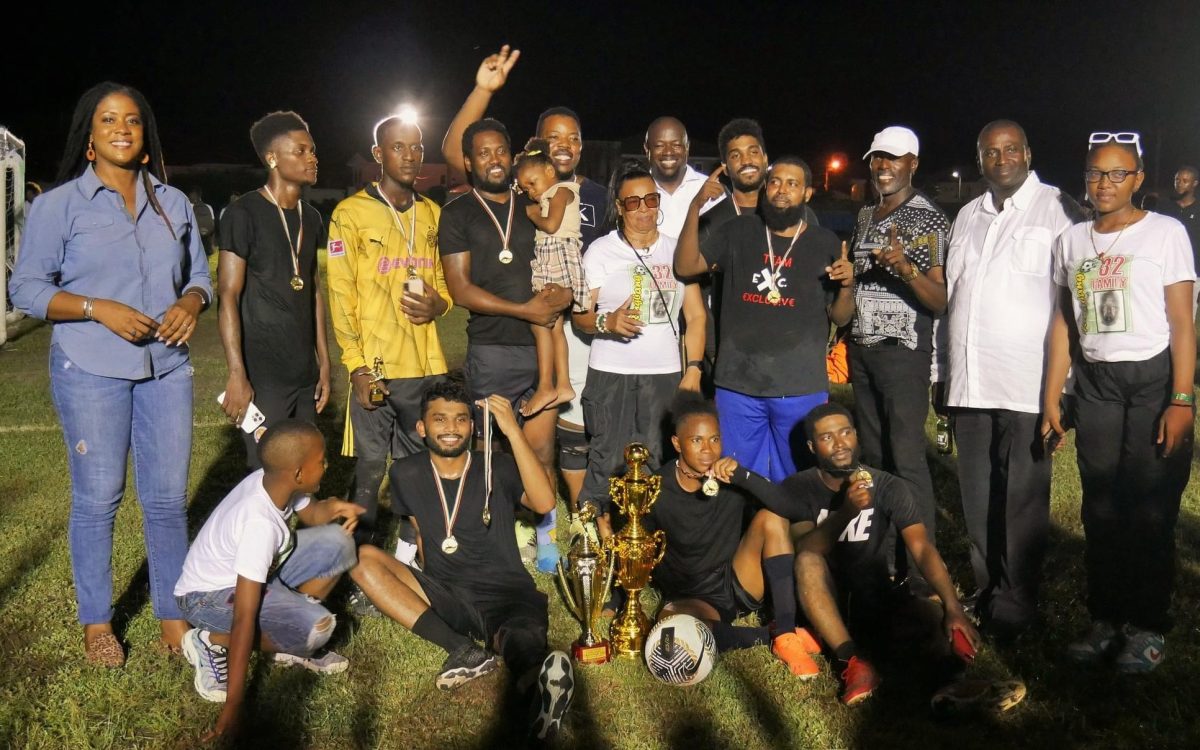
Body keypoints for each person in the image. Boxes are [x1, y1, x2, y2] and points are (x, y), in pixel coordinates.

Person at [9, 82, 211, 667]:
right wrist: (99, 307)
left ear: (146, 142)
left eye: (132, 121)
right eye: (107, 120)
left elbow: (198, 275)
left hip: (166, 368)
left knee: (168, 499)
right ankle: (97, 622)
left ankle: (174, 617)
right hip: (90, 365)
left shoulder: (174, 204)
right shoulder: (59, 205)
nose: (121, 128)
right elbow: (26, 289)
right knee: (99, 497)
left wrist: (190, 304)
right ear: (90, 140)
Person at [1042, 132, 1195, 673]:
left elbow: (1182, 322)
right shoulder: (1073, 240)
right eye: (1094, 173)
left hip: (1153, 382)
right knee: (1101, 509)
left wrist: (1182, 399)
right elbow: (1064, 321)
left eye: (1116, 174)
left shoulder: (1165, 233)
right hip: (1097, 384)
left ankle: (1148, 626)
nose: (1103, 183)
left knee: (1149, 510)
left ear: (1137, 179)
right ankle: (1105, 619)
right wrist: (1052, 397)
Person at [349, 383, 574, 741]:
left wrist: (512, 430)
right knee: (362, 558)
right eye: (439, 419)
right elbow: (421, 534)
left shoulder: (497, 467)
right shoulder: (405, 473)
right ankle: (463, 650)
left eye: (460, 420)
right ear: (422, 428)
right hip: (447, 594)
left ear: (472, 426)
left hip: (508, 593)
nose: (451, 428)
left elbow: (545, 503)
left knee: (520, 642)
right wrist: (416, 583)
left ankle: (540, 688)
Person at [937, 120, 1083, 640]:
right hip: (970, 382)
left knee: (1021, 501)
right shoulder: (967, 216)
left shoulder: (1060, 210)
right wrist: (942, 371)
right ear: (979, 160)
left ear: (1028, 152)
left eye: (1011, 149)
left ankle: (1017, 603)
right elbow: (952, 300)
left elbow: (1074, 304)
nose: (1001, 158)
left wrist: (1064, 389)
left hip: (1028, 386)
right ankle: (987, 591)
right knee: (977, 497)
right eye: (990, 152)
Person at [730, 403, 979, 706]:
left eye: (845, 432)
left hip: (874, 596)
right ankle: (852, 661)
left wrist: (953, 606)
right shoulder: (799, 487)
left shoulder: (887, 486)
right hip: (821, 602)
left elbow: (922, 547)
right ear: (812, 446)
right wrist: (847, 511)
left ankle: (949, 689)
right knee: (809, 560)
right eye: (827, 438)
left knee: (930, 616)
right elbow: (807, 550)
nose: (839, 444)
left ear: (857, 436)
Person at [439, 48, 573, 572]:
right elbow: (461, 290)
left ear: (512, 157)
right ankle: (490, 537)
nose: (494, 159)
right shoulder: (458, 212)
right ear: (469, 163)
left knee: (539, 450)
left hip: (536, 351)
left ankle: (544, 532)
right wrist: (528, 310)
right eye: (483, 153)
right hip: (493, 348)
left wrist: (557, 299)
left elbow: (562, 258)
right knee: (489, 453)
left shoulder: (531, 198)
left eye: (501, 151)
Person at [173, 420, 363, 742]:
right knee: (317, 629)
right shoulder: (258, 522)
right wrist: (233, 707)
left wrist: (334, 506)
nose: (327, 464)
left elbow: (313, 513)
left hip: (254, 575)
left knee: (339, 543)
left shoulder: (278, 482)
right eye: (322, 461)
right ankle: (212, 641)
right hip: (206, 597)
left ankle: (286, 628)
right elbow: (244, 615)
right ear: (299, 473)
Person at [676, 157, 855, 481]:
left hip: (800, 385)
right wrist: (694, 207)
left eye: (792, 183)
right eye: (775, 182)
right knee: (736, 477)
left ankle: (791, 532)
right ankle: (749, 532)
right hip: (738, 385)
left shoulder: (824, 241)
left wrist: (846, 286)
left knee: (799, 478)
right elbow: (686, 267)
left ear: (808, 194)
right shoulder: (738, 230)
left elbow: (840, 317)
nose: (781, 190)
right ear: (764, 189)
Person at [326, 115, 452, 549]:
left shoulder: (433, 214)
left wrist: (442, 303)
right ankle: (357, 562)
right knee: (369, 472)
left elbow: (444, 284)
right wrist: (356, 366)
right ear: (379, 154)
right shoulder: (349, 214)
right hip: (375, 369)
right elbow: (340, 295)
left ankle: (404, 558)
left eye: (417, 147)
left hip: (423, 366)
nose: (411, 156)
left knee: (417, 469)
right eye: (399, 147)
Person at [647, 393, 818, 678]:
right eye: (697, 440)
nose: (708, 450)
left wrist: (744, 477)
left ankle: (787, 632)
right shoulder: (656, 489)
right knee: (671, 630)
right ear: (677, 443)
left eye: (714, 439)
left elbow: (794, 509)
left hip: (737, 579)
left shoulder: (730, 476)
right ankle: (767, 636)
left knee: (771, 518)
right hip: (691, 594)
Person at [573, 162, 706, 522]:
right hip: (610, 372)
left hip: (663, 375)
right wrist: (608, 321)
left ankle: (646, 538)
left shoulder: (678, 250)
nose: (644, 208)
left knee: (656, 458)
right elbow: (580, 317)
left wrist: (692, 370)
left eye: (650, 199)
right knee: (605, 458)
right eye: (633, 202)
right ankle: (595, 543)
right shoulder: (600, 251)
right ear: (618, 206)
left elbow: (695, 316)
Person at [846, 126, 948, 590]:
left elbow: (939, 298)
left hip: (903, 355)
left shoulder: (927, 219)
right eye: (876, 159)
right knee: (873, 458)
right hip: (863, 351)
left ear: (913, 164)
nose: (883, 167)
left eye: (893, 159)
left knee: (907, 461)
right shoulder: (866, 213)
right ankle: (884, 561)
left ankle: (923, 573)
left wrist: (906, 269)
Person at [217, 111, 331, 468]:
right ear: (272, 158)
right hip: (263, 373)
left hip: (303, 372)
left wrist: (324, 363)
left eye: (312, 150)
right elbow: (228, 297)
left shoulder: (310, 217)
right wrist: (237, 373)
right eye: (300, 151)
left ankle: (302, 527)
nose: (312, 158)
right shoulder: (243, 213)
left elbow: (312, 291)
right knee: (266, 472)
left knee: (307, 468)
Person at [513, 138, 586, 417]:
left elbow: (552, 225)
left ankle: (548, 386)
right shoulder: (550, 192)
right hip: (550, 256)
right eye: (525, 187)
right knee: (552, 326)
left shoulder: (562, 191)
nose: (530, 192)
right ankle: (562, 384)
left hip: (559, 256)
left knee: (541, 323)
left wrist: (533, 214)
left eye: (532, 183)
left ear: (550, 172)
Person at [644, 117, 714, 237]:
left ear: (687, 147)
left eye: (676, 145)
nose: (668, 152)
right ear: (647, 149)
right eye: (659, 145)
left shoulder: (710, 189)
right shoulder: (634, 192)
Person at [1162, 165, 1199, 273]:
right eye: (1177, 180)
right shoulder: (1164, 207)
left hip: (1194, 271)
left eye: (1185, 181)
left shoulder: (1198, 208)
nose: (1179, 184)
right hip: (1168, 269)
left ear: (1194, 184)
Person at [188, 187, 216, 255]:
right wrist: (212, 243)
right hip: (206, 240)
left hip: (193, 242)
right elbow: (212, 224)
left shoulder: (188, 206)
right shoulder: (208, 207)